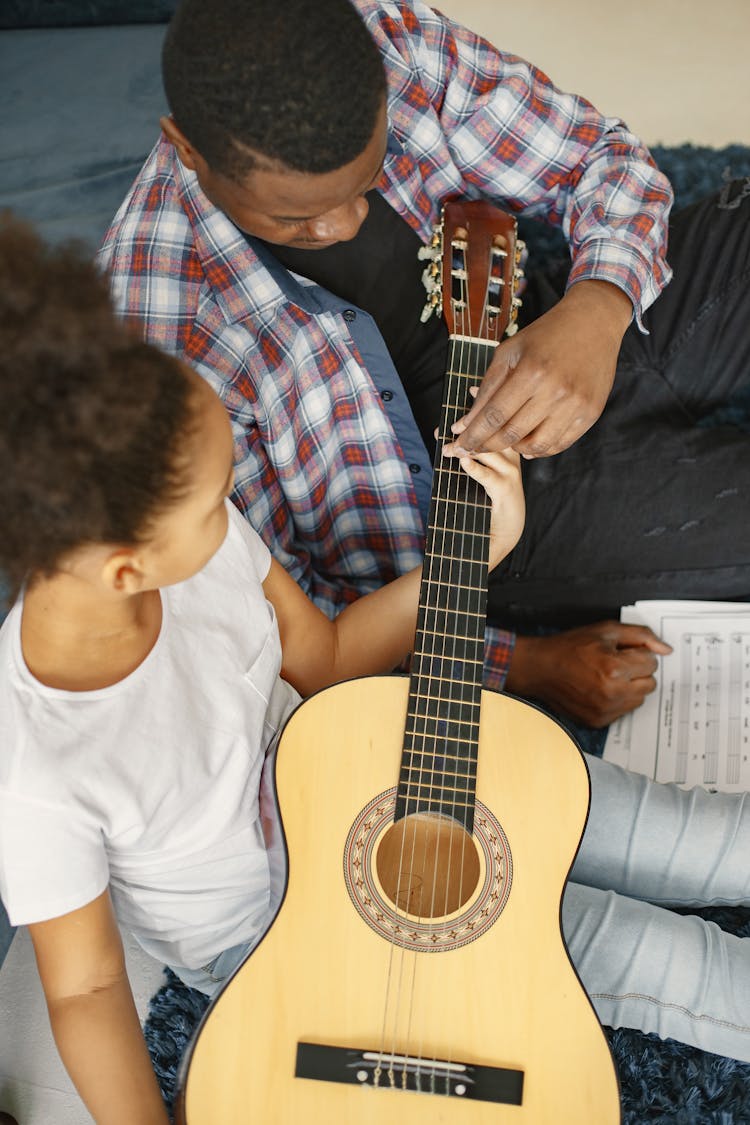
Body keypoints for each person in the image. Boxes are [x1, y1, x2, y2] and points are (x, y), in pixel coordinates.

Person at [3, 222, 750, 1125]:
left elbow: (325, 658)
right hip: (275, 936)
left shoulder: (190, 542)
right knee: (676, 962)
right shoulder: (33, 769)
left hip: (362, 769)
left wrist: (479, 553)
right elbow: (84, 990)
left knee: (712, 840)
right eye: (212, 501)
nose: (233, 505)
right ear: (128, 566)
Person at [99, 0, 750, 732]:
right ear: (187, 149)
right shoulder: (156, 333)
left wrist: (596, 310)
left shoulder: (390, 44)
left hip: (547, 321)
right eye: (295, 220)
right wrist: (523, 664)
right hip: (482, 524)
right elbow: (292, 628)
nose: (341, 224)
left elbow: (600, 158)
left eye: (366, 178)